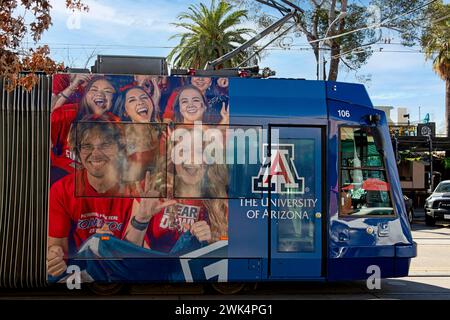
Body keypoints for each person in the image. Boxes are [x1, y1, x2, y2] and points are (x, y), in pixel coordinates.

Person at [47, 114, 171, 277]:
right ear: (78, 151)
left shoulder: (136, 188)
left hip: (122, 273)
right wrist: (54, 256)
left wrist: (138, 222)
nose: (95, 153)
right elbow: (57, 248)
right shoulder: (61, 190)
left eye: (105, 145)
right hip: (83, 273)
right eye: (86, 146)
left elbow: (130, 254)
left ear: (119, 149)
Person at [123, 135, 228, 253]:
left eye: (199, 152)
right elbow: (127, 252)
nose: (192, 159)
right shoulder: (152, 189)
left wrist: (211, 241)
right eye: (183, 151)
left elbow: (232, 255)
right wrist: (141, 219)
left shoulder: (219, 201)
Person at [50, 75, 117, 178]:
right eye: (93, 90)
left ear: (113, 100)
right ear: (85, 95)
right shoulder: (66, 113)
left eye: (107, 91)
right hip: (64, 175)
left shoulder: (116, 122)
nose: (100, 94)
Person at [112, 85, 164, 183]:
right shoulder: (119, 138)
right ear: (125, 112)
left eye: (144, 97)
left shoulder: (163, 132)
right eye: (132, 100)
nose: (140, 102)